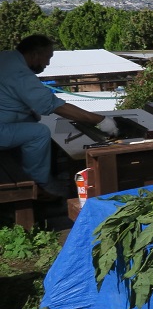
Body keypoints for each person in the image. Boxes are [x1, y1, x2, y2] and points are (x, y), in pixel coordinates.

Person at [0, 35, 118, 201]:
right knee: (40, 132)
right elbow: (55, 106)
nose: (48, 64)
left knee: (32, 122)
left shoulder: (6, 58)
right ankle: (40, 185)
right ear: (34, 55)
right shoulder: (20, 74)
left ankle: (38, 174)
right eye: (47, 57)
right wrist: (101, 120)